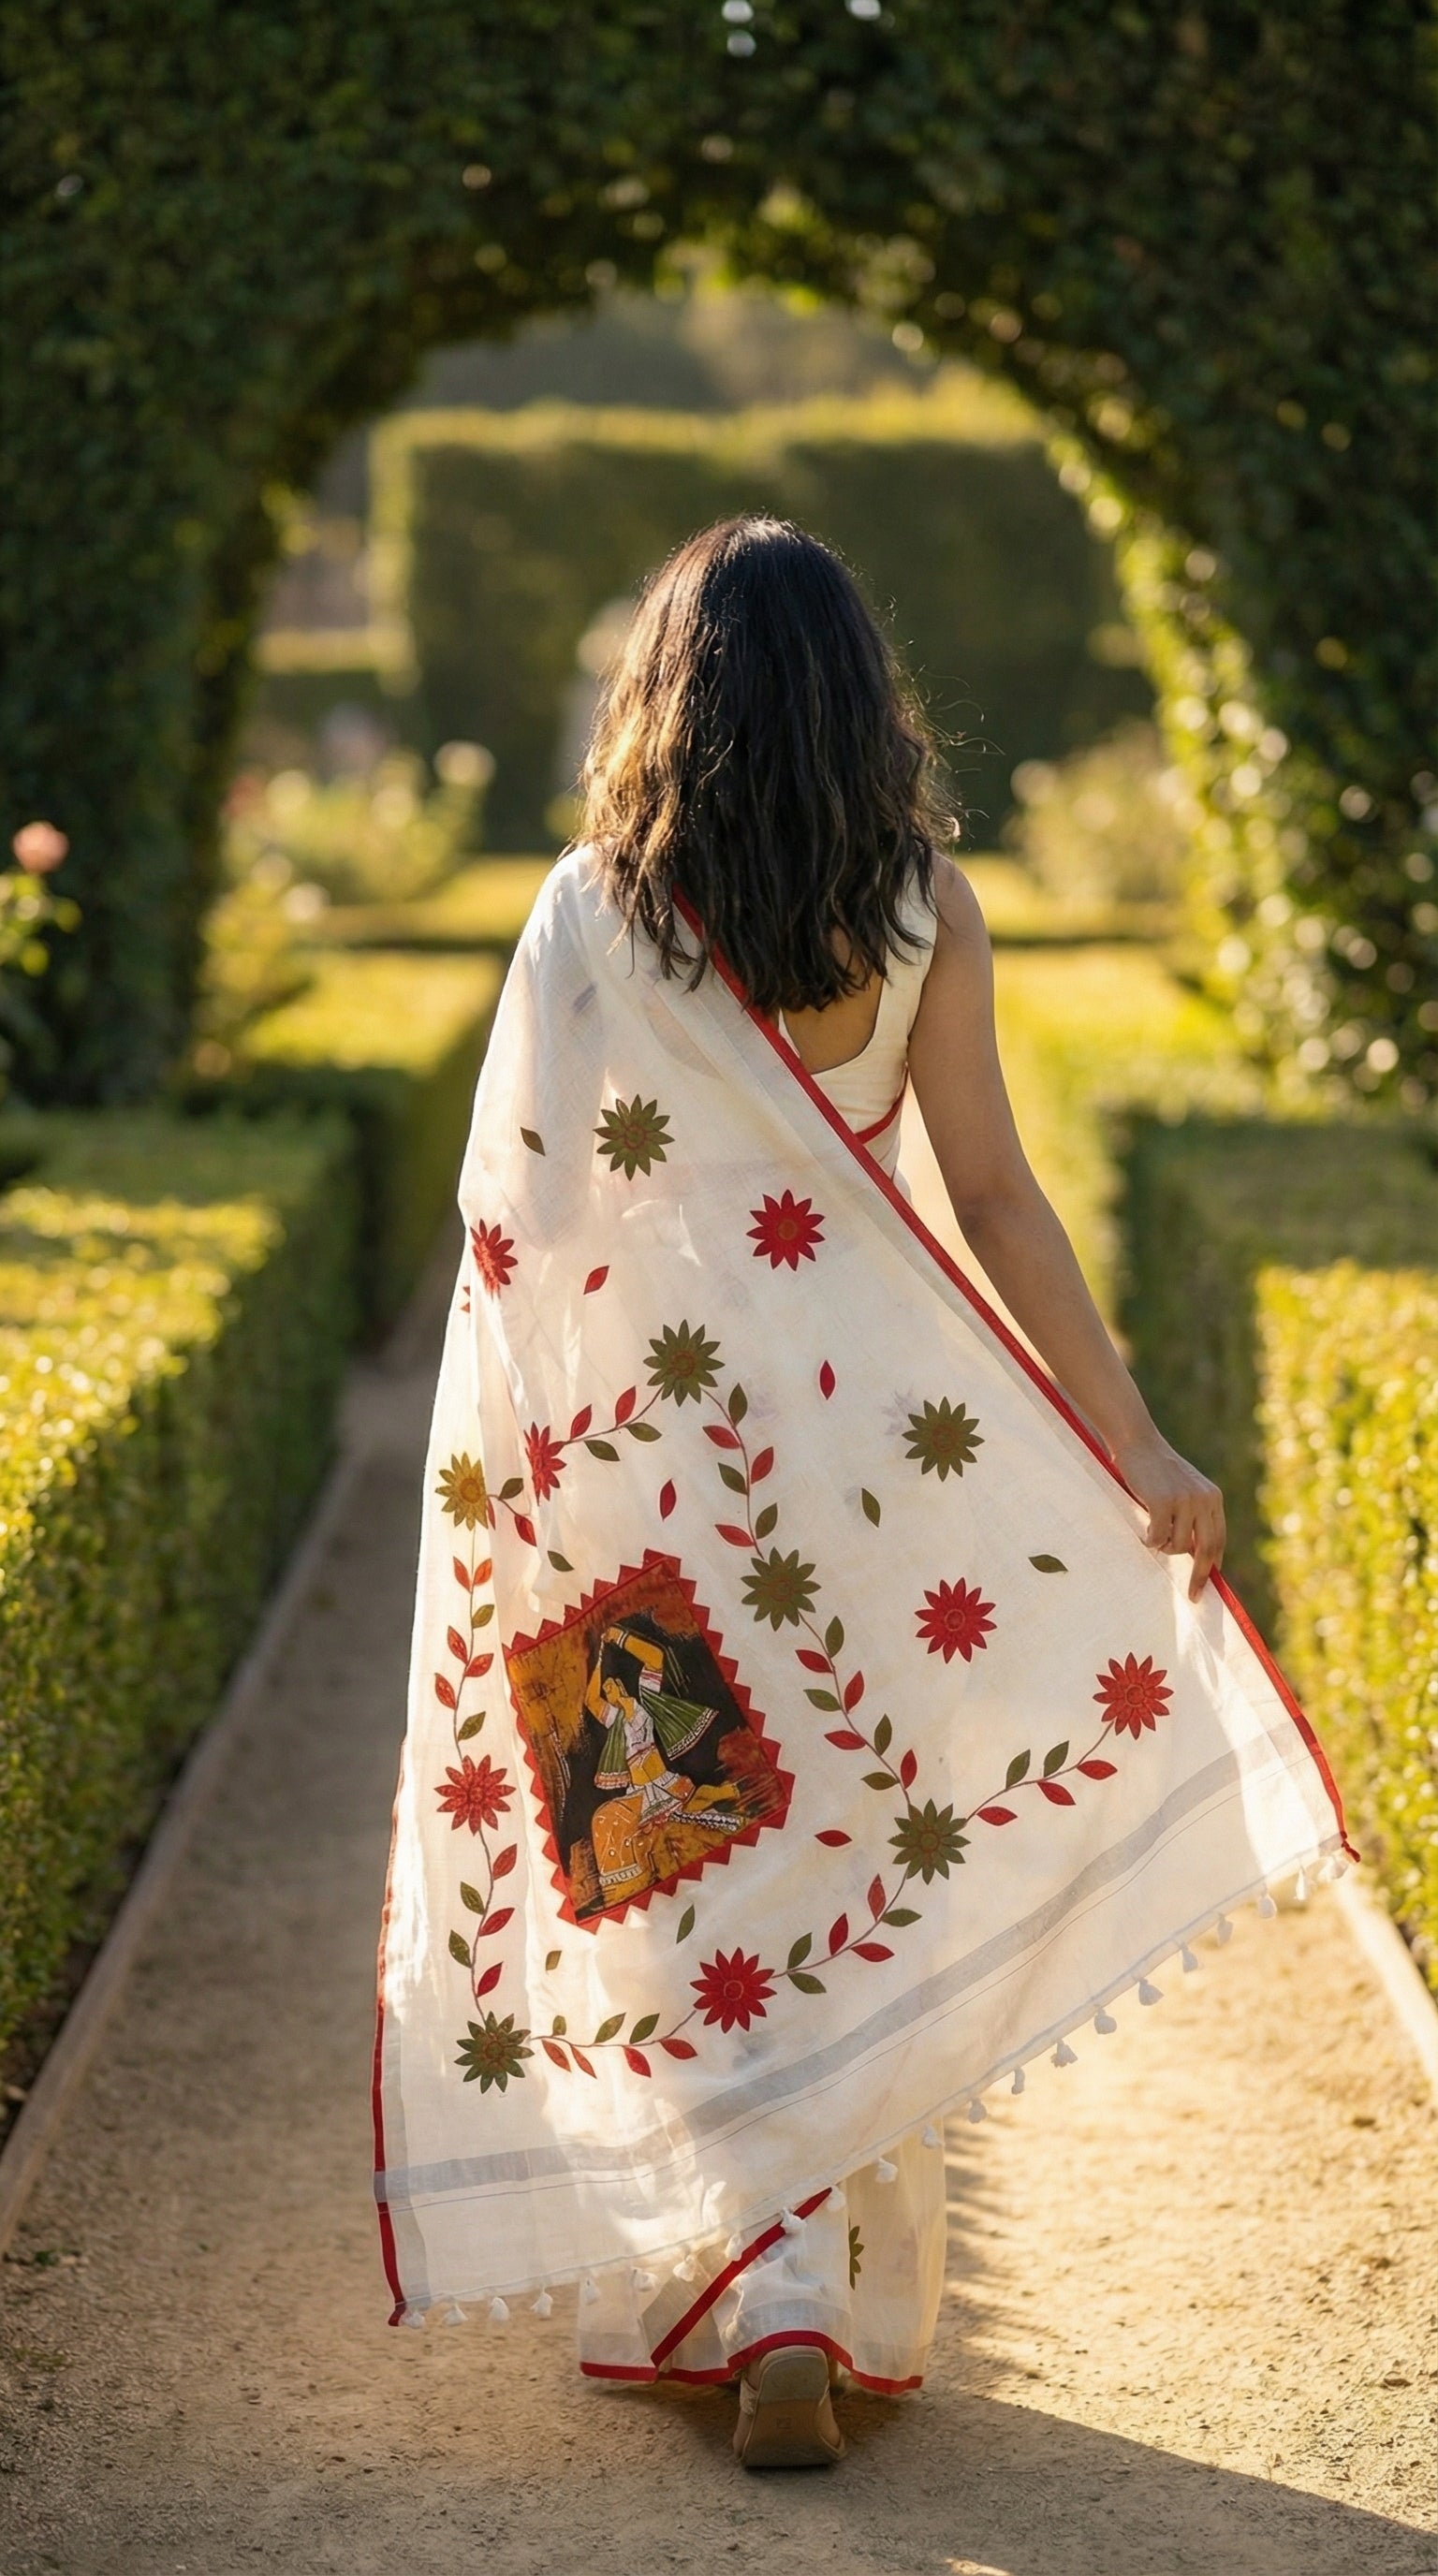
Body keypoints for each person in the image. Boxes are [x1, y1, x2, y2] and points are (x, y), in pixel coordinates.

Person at [374, 518, 1350, 2472]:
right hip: (879, 1463)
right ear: (857, 700)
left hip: (652, 1465)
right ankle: (802, 2277)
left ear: (666, 701)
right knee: (834, 1863)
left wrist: (517, 1502)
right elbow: (997, 1198)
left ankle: (771, 2288)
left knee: (676, 1864)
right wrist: (1137, 1445)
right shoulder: (921, 911)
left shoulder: (589, 915)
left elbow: (524, 1228)